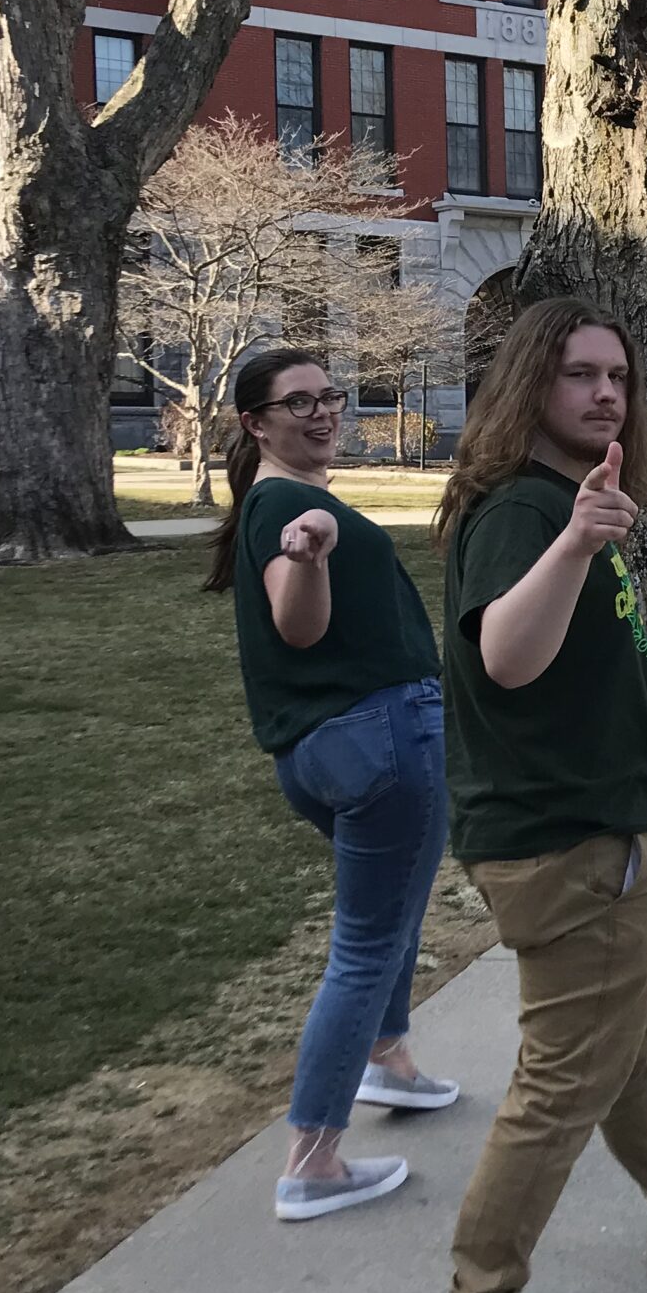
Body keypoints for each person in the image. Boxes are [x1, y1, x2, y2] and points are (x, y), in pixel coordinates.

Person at [413, 298, 647, 1293]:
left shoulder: (560, 498)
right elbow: (505, 657)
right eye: (578, 374)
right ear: (528, 386)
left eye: (618, 376)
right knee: (561, 1084)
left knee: (621, 1039)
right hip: (570, 843)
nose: (605, 394)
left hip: (590, 833)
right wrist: (571, 544)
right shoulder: (528, 512)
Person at [206, 348, 456, 1224]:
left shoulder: (270, 500)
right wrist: (310, 556)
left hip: (324, 751)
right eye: (298, 402)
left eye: (329, 396)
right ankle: (312, 1160)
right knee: (367, 943)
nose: (321, 412)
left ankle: (390, 1058)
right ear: (255, 423)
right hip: (379, 740)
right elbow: (300, 626)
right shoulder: (290, 508)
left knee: (393, 910)